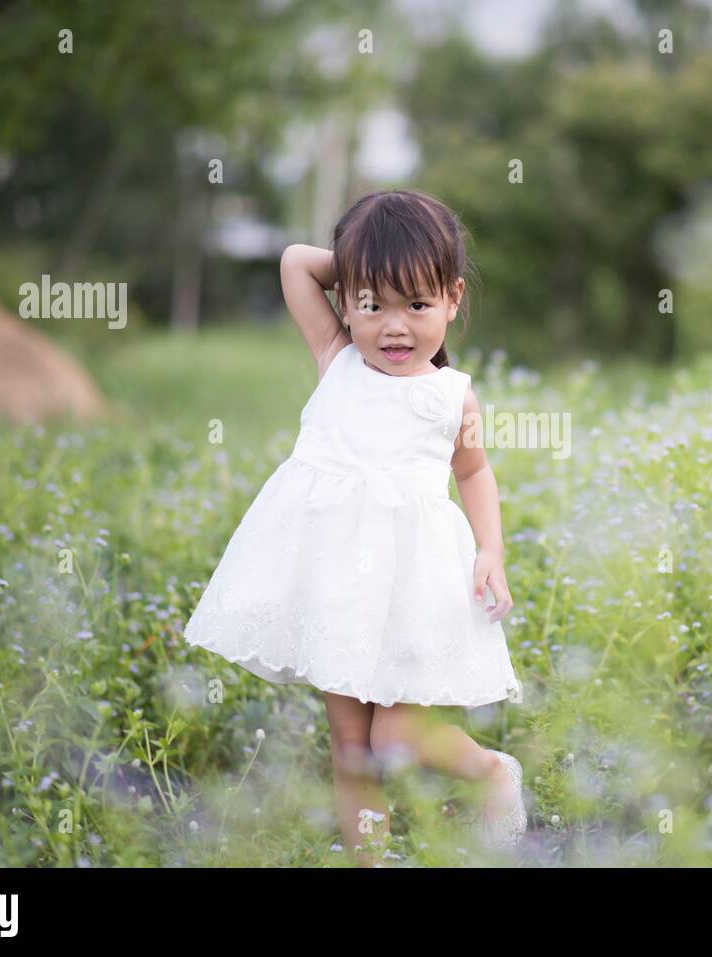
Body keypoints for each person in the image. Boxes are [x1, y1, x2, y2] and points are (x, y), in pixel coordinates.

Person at [183, 187, 526, 864]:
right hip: (337, 584)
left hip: (411, 589)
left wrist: (491, 547)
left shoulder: (451, 396)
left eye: (418, 304)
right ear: (345, 301)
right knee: (351, 748)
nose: (394, 326)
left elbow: (475, 473)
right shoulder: (336, 356)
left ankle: (492, 771)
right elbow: (292, 261)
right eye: (374, 304)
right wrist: (366, 267)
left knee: (393, 741)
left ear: (454, 298)